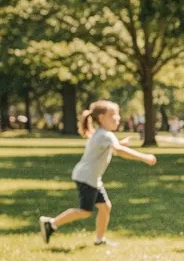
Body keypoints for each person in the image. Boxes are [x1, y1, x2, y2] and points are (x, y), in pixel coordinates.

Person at [39, 100, 156, 246]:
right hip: (87, 178)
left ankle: (99, 239)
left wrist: (120, 143)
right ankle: (51, 224)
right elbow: (118, 151)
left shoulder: (103, 134)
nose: (118, 118)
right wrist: (144, 157)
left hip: (92, 178)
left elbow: (113, 146)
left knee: (105, 207)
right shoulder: (105, 135)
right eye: (113, 115)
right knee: (85, 211)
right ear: (101, 118)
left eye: (118, 115)